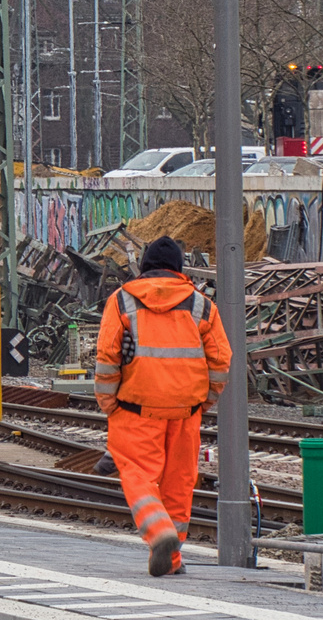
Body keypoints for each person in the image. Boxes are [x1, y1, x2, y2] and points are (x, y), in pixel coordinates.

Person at [95, 235, 232, 577]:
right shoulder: (202, 305)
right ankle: (173, 560)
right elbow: (221, 361)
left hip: (135, 408)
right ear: (179, 268)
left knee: (139, 476)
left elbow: (107, 355)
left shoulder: (122, 300)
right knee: (179, 484)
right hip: (186, 411)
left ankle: (160, 534)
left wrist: (108, 401)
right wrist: (205, 401)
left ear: (144, 266)